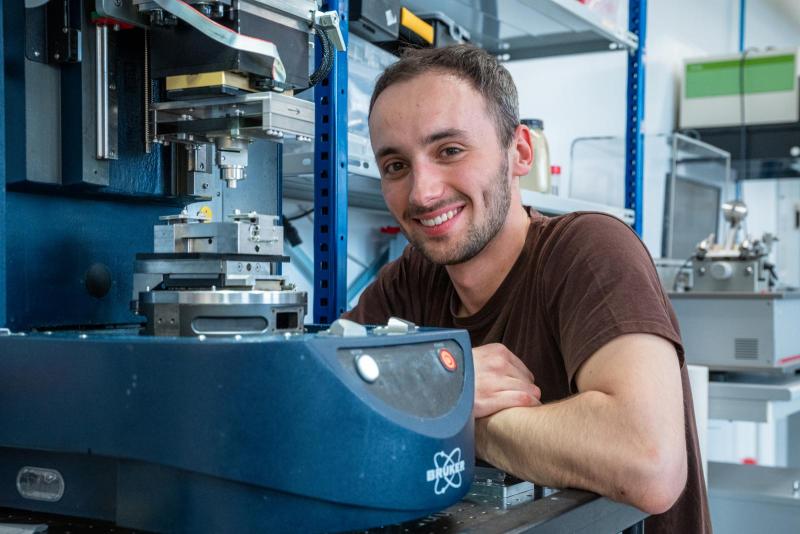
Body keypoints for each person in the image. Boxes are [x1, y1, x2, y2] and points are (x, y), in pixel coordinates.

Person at [343, 45, 710, 534]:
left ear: (519, 152)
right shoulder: (411, 279)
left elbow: (648, 463)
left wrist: (450, 405)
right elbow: (318, 396)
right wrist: (433, 382)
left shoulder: (589, 249)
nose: (422, 192)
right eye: (395, 165)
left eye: (450, 151)